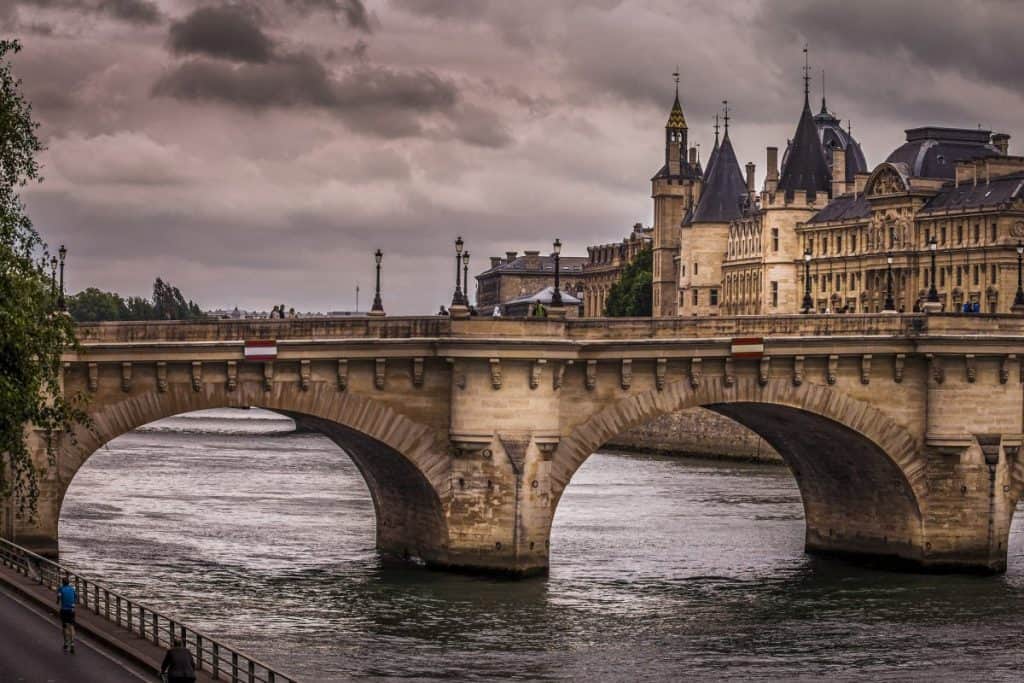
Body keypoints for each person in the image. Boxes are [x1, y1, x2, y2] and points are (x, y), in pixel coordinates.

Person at [57, 575, 77, 654]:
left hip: (64, 610)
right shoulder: (72, 589)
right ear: (68, 583)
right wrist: (73, 604)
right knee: (72, 627)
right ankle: (72, 643)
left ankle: (66, 643)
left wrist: (58, 601)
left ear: (62, 583)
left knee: (64, 626)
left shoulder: (61, 588)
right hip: (71, 610)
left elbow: (59, 596)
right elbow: (75, 597)